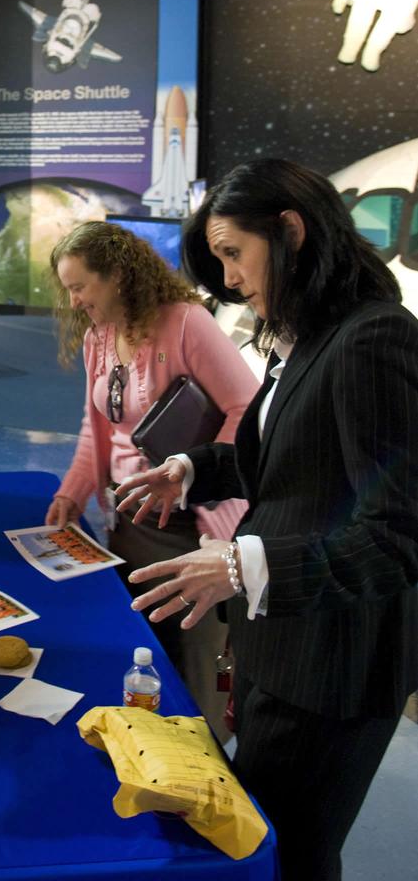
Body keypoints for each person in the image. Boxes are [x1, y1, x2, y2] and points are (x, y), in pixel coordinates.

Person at [116, 160, 418, 881]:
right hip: (281, 642)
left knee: (291, 853)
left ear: (289, 231)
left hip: (334, 665)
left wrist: (238, 565)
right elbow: (294, 462)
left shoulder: (373, 341)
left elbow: (397, 535)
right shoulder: (310, 334)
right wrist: (193, 469)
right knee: (259, 829)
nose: (226, 279)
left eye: (232, 253)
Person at [47, 220, 258, 740]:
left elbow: (245, 410)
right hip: (128, 522)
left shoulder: (186, 322)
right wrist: (71, 493)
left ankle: (204, 779)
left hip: (190, 529)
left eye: (79, 287)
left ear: (117, 276)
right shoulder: (100, 336)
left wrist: (188, 472)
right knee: (144, 655)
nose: (73, 302)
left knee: (194, 670)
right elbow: (96, 427)